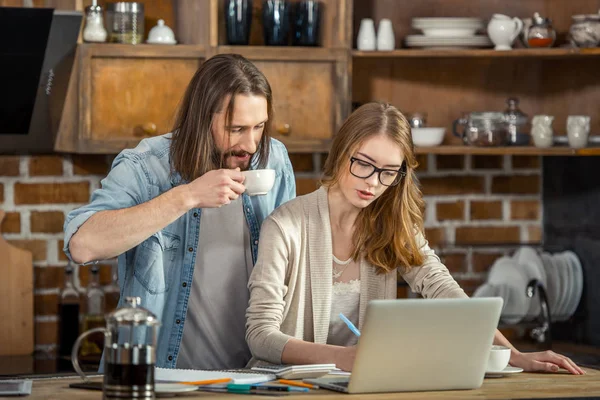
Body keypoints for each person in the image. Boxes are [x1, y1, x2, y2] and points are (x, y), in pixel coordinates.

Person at [245, 102, 584, 375]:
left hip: (364, 385)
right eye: (364, 164)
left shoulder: (391, 225)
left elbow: (444, 290)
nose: (373, 183)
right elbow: (260, 336)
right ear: (342, 152)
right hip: (290, 389)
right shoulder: (286, 226)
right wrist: (344, 357)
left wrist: (513, 355)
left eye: (389, 172)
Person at [63, 54, 296, 370]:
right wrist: (185, 197)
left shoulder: (275, 160)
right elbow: (82, 244)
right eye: (237, 128)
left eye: (259, 127)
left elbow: (290, 273)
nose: (252, 144)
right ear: (202, 118)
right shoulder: (147, 165)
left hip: (251, 378)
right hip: (161, 378)